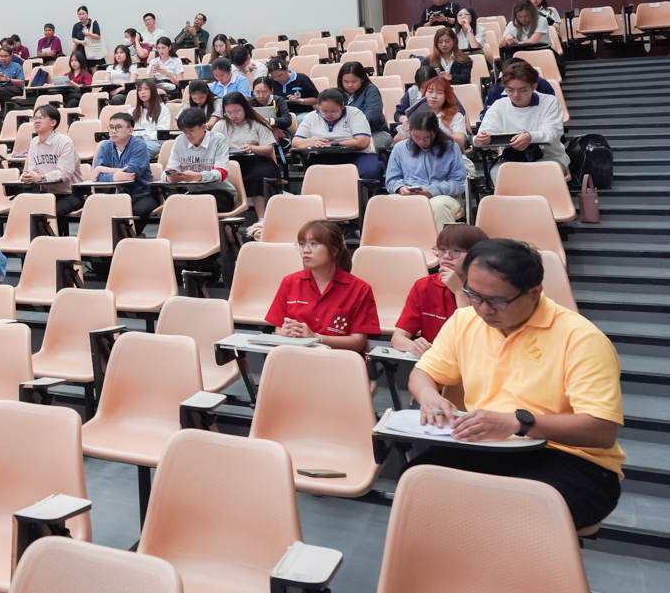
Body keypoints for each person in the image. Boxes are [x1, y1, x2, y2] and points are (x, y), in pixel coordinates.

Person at [407, 238, 625, 530]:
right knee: (416, 481)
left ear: (534, 292)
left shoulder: (581, 339)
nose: (484, 310)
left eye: (497, 301)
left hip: (572, 458)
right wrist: (428, 395)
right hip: (489, 446)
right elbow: (422, 374)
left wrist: (517, 422)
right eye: (473, 294)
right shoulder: (464, 320)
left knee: (508, 515)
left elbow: (601, 431)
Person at [266, 220, 381, 353]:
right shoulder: (289, 282)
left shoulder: (360, 289)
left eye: (313, 243)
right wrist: (285, 332)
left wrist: (316, 338)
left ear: (334, 250)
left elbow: (357, 342)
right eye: (302, 244)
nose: (306, 250)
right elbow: (279, 330)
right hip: (297, 356)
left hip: (339, 360)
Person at [391, 223, 489, 356]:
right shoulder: (424, 286)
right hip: (435, 360)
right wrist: (413, 346)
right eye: (442, 249)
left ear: (477, 255)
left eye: (456, 251)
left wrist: (459, 292)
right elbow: (397, 339)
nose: (446, 256)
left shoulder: (490, 288)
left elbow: (472, 338)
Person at [476, 58, 567, 178]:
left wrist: (531, 137)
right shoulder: (499, 105)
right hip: (512, 158)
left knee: (538, 175)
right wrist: (481, 138)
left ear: (534, 87)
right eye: (510, 90)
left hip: (549, 156)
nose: (515, 95)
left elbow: (552, 132)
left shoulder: (550, 102)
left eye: (522, 90)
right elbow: (485, 131)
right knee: (498, 173)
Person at [385, 109, 467, 230]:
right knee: (384, 203)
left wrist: (432, 191)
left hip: (443, 196)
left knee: (437, 206)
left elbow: (459, 183)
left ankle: (441, 242)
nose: (421, 141)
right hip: (409, 195)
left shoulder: (451, 147)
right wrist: (400, 188)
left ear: (435, 132)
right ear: (410, 132)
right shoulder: (400, 148)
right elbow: (392, 180)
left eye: (426, 137)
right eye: (416, 137)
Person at [77, 111, 156, 226]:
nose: (113, 131)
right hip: (117, 195)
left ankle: (130, 236)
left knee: (135, 213)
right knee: (99, 213)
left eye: (118, 127)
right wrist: (112, 176)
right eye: (111, 127)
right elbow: (96, 176)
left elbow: (130, 173)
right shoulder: (105, 146)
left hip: (142, 194)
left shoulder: (140, 145)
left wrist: (101, 169)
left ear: (130, 130)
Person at [214, 92, 280, 219]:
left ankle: (262, 218)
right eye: (229, 112)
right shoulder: (220, 125)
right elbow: (212, 148)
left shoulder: (258, 122)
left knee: (259, 175)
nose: (233, 116)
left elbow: (268, 148)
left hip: (256, 159)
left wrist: (252, 148)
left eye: (237, 111)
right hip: (231, 162)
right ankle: (228, 219)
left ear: (245, 108)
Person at [295, 89, 383, 181]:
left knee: (371, 171)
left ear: (342, 106)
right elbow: (296, 142)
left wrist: (333, 143)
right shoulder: (311, 117)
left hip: (359, 154)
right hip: (326, 155)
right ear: (318, 106)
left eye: (334, 112)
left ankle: (367, 190)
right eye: (324, 111)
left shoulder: (354, 114)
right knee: (315, 170)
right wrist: (310, 141)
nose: (328, 115)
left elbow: (363, 142)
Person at [18, 103, 82, 222]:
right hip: (48, 194)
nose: (37, 121)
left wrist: (41, 177)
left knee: (52, 212)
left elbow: (65, 173)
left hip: (71, 193)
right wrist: (28, 176)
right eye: (35, 118)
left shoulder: (64, 142)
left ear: (53, 122)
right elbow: (33, 171)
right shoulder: (34, 142)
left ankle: (59, 235)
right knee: (25, 210)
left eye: (41, 118)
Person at [164, 106, 236, 210]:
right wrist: (169, 177)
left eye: (192, 131)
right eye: (185, 131)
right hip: (193, 193)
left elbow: (222, 173)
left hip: (220, 192)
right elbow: (169, 169)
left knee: (194, 206)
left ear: (203, 127)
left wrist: (199, 176)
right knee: (175, 205)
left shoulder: (218, 140)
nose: (188, 135)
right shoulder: (180, 140)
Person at [397, 73, 467, 150]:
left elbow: (460, 142)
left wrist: (436, 131)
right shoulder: (415, 113)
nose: (433, 96)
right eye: (430, 92)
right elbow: (396, 143)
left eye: (439, 93)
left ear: (447, 96)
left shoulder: (456, 116)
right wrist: (404, 130)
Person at [339, 61, 390, 150]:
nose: (350, 85)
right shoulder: (338, 93)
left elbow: (372, 115)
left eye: (354, 81)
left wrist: (349, 127)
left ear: (362, 79)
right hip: (346, 134)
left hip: (374, 132)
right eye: (346, 82)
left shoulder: (371, 90)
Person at [129, 79, 172, 155]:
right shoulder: (131, 111)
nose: (142, 92)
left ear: (153, 91)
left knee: (139, 149)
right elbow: (128, 131)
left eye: (146, 89)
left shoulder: (163, 110)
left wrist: (143, 136)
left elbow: (161, 133)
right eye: (139, 90)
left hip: (155, 142)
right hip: (135, 142)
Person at [0, 44, 26, 110]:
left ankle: (11, 108)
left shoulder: (17, 66)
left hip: (14, 87)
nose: (3, 58)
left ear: (10, 57)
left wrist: (9, 80)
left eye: (5, 56)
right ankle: (10, 107)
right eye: (1, 56)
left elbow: (22, 82)